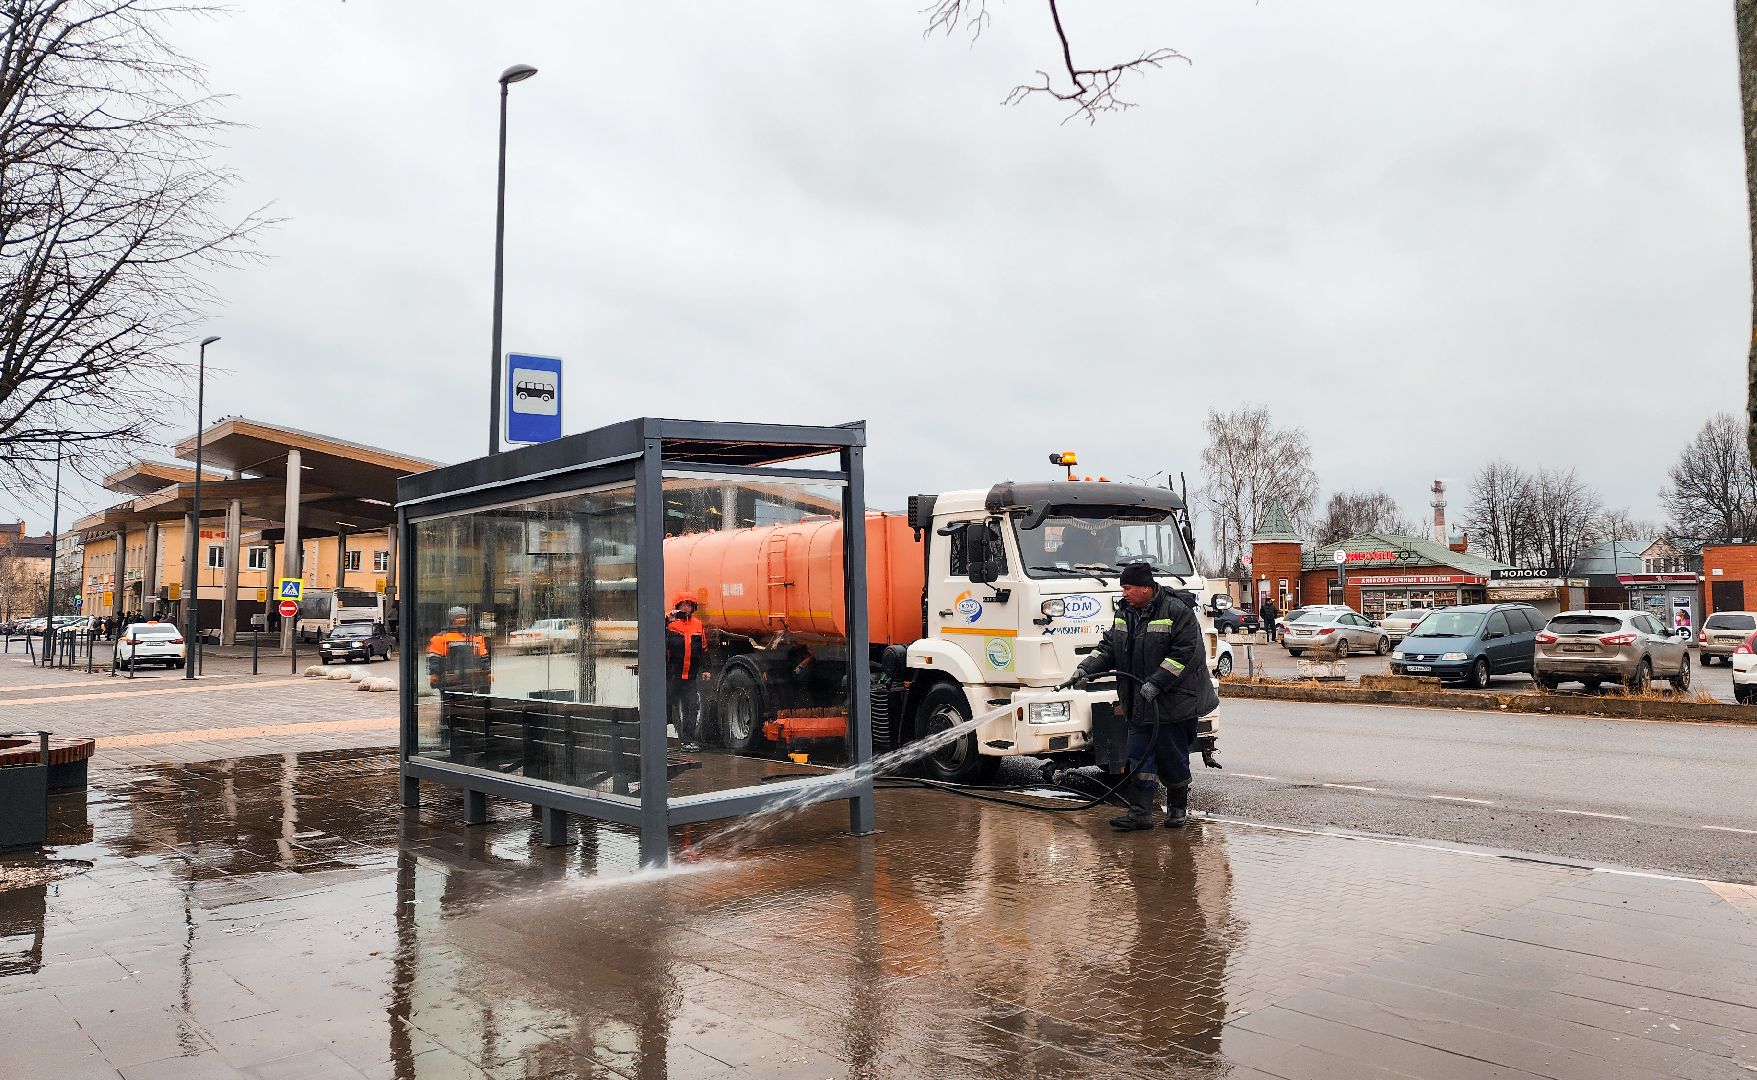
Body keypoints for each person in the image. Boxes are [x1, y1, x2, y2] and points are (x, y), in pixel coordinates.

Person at [1067, 562, 1218, 831]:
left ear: (1146, 588)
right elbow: (1108, 649)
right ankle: (1140, 814)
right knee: (1138, 756)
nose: (1123, 593)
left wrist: (1157, 683)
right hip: (1138, 701)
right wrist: (1084, 670)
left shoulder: (1177, 611)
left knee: (1172, 757)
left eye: (1128, 588)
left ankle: (1177, 809)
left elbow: (1183, 655)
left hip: (1173, 703)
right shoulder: (1124, 613)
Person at [665, 595, 710, 753]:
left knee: (691, 708)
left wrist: (706, 669)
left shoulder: (698, 625)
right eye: (683, 605)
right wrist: (666, 621)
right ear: (677, 606)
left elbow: (704, 648)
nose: (685, 608)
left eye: (689, 605)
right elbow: (655, 638)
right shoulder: (670, 624)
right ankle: (658, 738)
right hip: (672, 675)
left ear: (693, 607)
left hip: (690, 677)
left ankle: (687, 741)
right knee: (666, 705)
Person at [425, 606, 489, 692]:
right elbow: (435, 658)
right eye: (458, 617)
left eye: (464, 617)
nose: (462, 619)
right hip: (450, 681)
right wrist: (434, 674)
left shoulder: (476, 637)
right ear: (452, 620)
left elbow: (483, 657)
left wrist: (487, 673)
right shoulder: (441, 637)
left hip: (471, 680)